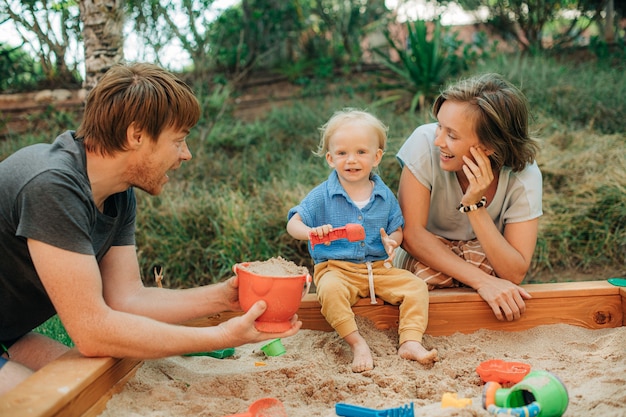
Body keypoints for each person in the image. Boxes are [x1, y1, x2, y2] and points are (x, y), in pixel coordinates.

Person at [0, 63, 301, 395]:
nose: (186, 154)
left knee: (96, 388)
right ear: (137, 135)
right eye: (179, 140)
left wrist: (222, 298)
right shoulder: (52, 185)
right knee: (43, 402)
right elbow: (92, 330)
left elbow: (127, 299)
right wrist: (219, 336)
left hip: (9, 332)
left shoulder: (118, 194)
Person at [287, 109, 438, 373]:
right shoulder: (322, 196)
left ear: (376, 156)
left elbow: (397, 228)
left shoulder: (384, 195)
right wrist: (310, 232)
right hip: (336, 268)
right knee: (330, 291)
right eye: (342, 153)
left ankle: (410, 342)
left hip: (378, 269)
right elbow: (293, 224)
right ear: (330, 159)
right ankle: (357, 343)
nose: (351, 160)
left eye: (361, 152)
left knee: (416, 287)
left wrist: (392, 241)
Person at [393, 73, 542, 322]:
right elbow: (411, 236)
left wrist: (474, 205)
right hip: (426, 261)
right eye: (439, 125)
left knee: (481, 260)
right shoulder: (424, 142)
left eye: (452, 135)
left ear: (489, 146)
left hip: (482, 261)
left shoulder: (524, 177)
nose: (437, 140)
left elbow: (514, 272)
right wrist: (483, 282)